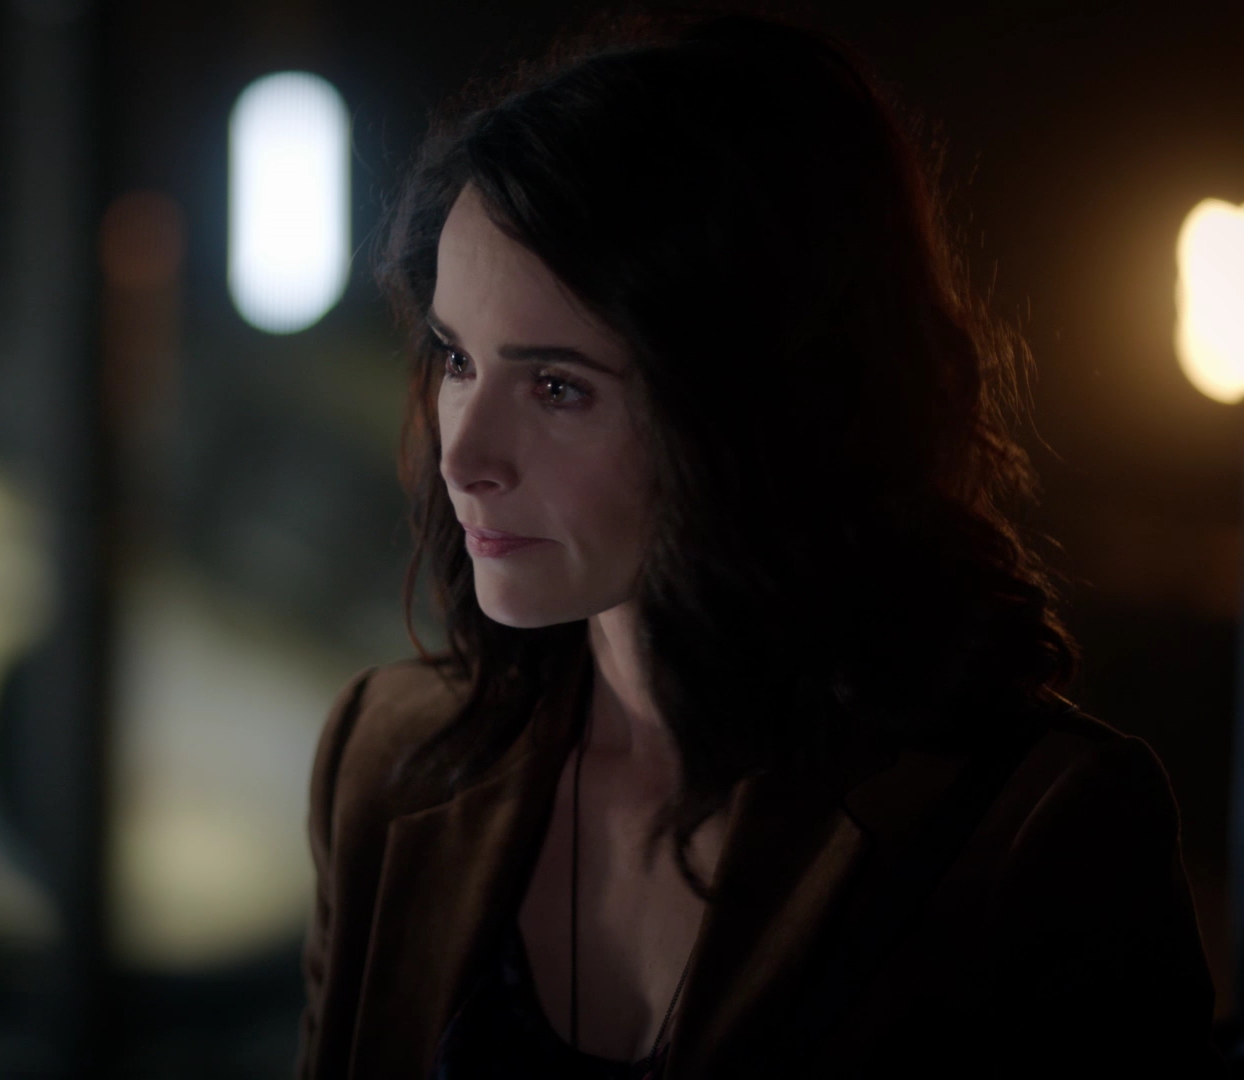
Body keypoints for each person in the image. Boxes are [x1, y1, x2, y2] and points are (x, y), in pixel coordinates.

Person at [296, 14, 1219, 1079]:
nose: (464, 456)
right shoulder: (388, 758)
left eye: (556, 386)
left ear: (751, 409)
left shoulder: (1035, 833)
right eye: (457, 359)